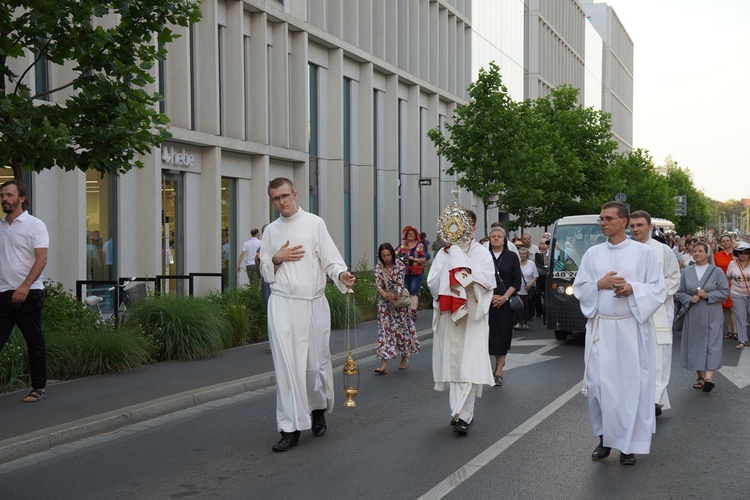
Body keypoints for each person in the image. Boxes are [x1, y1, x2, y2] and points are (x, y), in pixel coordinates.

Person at [259, 177, 356, 452]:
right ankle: (289, 427)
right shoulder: (271, 231)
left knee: (314, 366)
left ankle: (317, 409)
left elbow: (331, 259)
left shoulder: (314, 223)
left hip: (312, 305)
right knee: (287, 368)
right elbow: (265, 269)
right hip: (282, 304)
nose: (282, 201)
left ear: (295, 194)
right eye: (276, 198)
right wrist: (277, 258)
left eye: (285, 195)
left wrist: (341, 274)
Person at [572, 202, 666, 466]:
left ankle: (627, 446)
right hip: (601, 328)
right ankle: (604, 438)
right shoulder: (592, 254)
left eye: (608, 218)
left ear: (623, 222)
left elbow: (658, 288)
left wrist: (632, 289)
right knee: (599, 388)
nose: (603, 222)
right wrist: (598, 284)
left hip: (630, 329)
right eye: (601, 218)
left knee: (629, 388)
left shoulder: (643, 253)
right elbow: (580, 287)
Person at [427, 208, 495, 435]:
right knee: (453, 363)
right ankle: (456, 412)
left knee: (469, 363)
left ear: (472, 228)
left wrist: (465, 274)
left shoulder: (481, 253)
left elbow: (487, 281)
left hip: (473, 313)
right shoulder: (444, 254)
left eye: (464, 225)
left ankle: (464, 416)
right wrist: (449, 279)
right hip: (449, 314)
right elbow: (433, 283)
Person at [0, 180, 50, 403]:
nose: (4, 199)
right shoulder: (0, 227)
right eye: (2, 196)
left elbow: (42, 259)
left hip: (28, 294)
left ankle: (38, 387)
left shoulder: (34, 225)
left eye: (9, 195)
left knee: (34, 342)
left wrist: (25, 286)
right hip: (3, 293)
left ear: (21, 198)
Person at [629, 211, 681, 417]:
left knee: (659, 358)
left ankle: (655, 400)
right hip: (632, 310)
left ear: (650, 227)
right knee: (636, 358)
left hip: (658, 311)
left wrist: (649, 293)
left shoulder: (663, 251)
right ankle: (639, 399)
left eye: (640, 225)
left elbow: (674, 279)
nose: (636, 229)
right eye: (632, 226)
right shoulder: (625, 250)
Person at [675, 241, 729, 392]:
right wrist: (688, 299)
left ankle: (708, 378)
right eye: (695, 251)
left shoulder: (716, 271)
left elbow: (725, 291)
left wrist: (707, 295)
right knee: (696, 344)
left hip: (712, 312)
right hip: (694, 313)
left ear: (707, 253)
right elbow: (679, 292)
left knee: (713, 343)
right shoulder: (686, 272)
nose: (697, 253)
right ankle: (700, 376)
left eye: (700, 251)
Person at [373, 242, 420, 374]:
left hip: (399, 304)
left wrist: (396, 294)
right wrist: (385, 295)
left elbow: (400, 282)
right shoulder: (378, 267)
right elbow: (377, 285)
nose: (386, 258)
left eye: (388, 255)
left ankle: (405, 357)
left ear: (392, 254)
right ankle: (383, 364)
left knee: (402, 330)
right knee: (384, 332)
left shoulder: (399, 265)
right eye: (384, 256)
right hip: (384, 305)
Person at [487, 226, 521, 387]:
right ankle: (495, 363)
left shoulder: (512, 256)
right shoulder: (484, 256)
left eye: (499, 236)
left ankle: (499, 369)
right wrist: (490, 296)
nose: (496, 238)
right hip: (488, 301)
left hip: (505, 302)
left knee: (503, 335)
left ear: (504, 239)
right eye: (493, 236)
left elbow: (516, 280)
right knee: (490, 336)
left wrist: (504, 297)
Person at [396, 226, 427, 323]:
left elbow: (424, 259)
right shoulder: (402, 245)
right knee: (406, 291)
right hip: (405, 272)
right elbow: (395, 253)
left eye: (412, 234)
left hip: (416, 273)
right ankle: (407, 311)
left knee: (413, 292)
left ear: (415, 236)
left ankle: (413, 311)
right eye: (408, 234)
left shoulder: (420, 246)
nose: (410, 235)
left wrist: (415, 259)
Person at [726, 241, 750, 350]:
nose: (743, 255)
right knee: (741, 317)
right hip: (737, 293)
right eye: (741, 253)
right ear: (737, 253)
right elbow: (728, 278)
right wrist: (726, 291)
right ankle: (742, 340)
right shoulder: (732, 264)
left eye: (746, 252)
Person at [714, 234, 738, 340]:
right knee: (726, 308)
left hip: (736, 283)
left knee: (735, 308)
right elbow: (714, 270)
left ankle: (736, 331)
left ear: (731, 241)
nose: (726, 243)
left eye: (728, 240)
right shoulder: (717, 255)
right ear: (720, 243)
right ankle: (730, 331)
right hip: (722, 284)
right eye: (723, 241)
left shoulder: (737, 254)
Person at [515, 247, 538, 330]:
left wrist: (529, 285)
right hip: (517, 288)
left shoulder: (531, 264)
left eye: (524, 254)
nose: (522, 255)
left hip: (527, 289)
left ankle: (525, 322)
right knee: (517, 306)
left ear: (527, 255)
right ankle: (518, 322)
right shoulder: (516, 263)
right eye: (520, 254)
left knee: (526, 306)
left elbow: (535, 276)